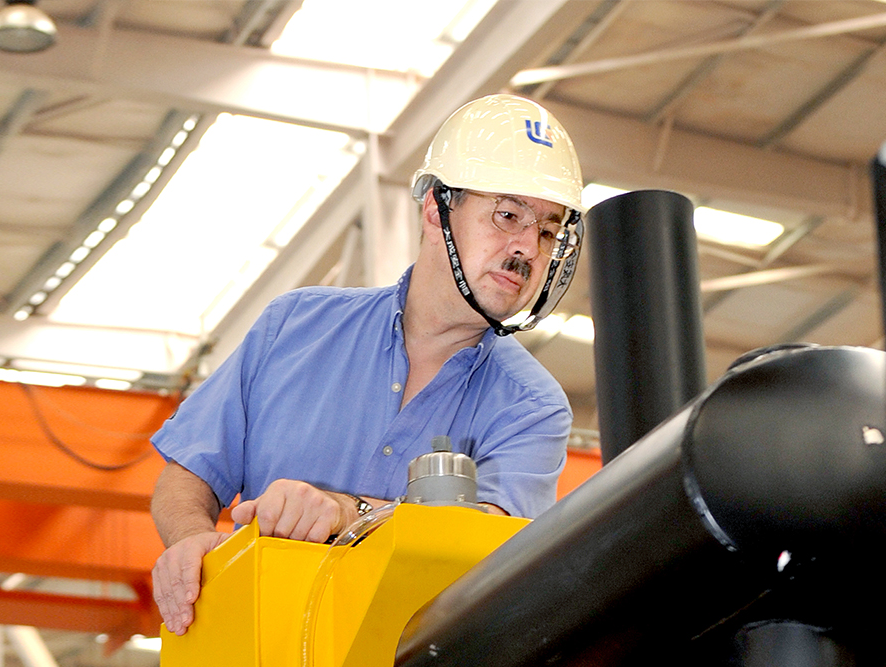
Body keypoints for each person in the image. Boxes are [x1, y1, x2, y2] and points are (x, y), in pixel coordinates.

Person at [150, 94, 586, 636]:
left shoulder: (533, 407)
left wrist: (346, 513)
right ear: (436, 210)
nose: (527, 249)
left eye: (547, 230)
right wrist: (192, 540)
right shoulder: (295, 326)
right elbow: (188, 470)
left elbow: (495, 546)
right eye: (508, 215)